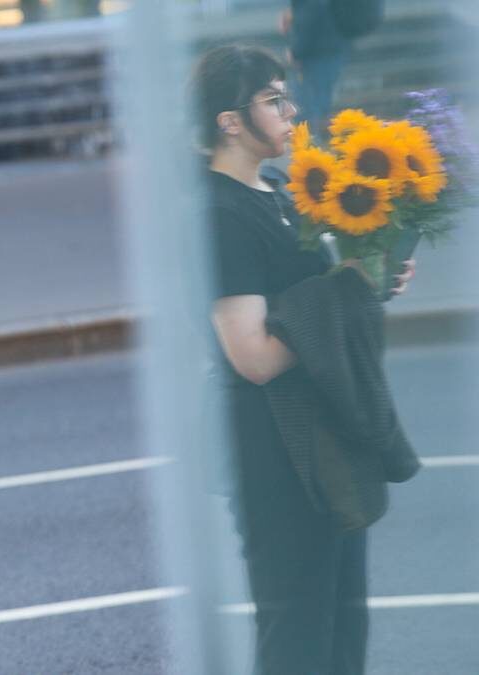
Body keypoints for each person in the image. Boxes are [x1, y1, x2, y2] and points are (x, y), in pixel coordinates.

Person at [192, 44, 413, 674]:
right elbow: (254, 356)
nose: (291, 111)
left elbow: (329, 295)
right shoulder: (218, 213)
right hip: (273, 444)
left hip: (325, 431)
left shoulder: (284, 190)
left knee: (345, 621)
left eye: (286, 95)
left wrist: (376, 275)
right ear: (229, 121)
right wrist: (347, 291)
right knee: (296, 629)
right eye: (272, 99)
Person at [281, 0, 351, 140]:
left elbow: (306, 27)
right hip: (327, 53)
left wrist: (295, 53)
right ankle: (313, 136)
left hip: (317, 55)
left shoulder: (311, 5)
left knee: (310, 99)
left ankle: (311, 138)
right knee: (318, 98)